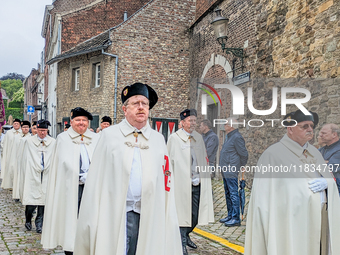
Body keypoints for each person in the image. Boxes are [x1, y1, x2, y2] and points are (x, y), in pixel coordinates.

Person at [73, 83, 182, 255]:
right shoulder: (110, 136)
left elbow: (166, 179)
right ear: (125, 109)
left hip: (150, 212)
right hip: (117, 212)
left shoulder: (158, 139)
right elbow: (96, 180)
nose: (141, 107)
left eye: (144, 104)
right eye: (135, 103)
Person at [245, 110, 340, 255]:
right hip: (289, 225)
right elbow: (262, 201)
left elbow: (329, 179)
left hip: (319, 222)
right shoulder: (273, 155)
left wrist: (328, 183)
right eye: (304, 126)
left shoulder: (315, 153)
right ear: (290, 129)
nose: (310, 130)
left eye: (312, 126)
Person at [41, 107, 100, 255]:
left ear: (88, 123)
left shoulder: (96, 139)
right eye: (78, 120)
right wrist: (78, 174)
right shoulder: (63, 139)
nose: (81, 123)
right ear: (72, 122)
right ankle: (70, 249)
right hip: (70, 188)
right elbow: (61, 165)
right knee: (71, 220)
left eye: (84, 121)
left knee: (91, 220)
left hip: (91, 189)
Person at [167, 109, 214, 255]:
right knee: (182, 214)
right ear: (182, 122)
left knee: (195, 214)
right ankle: (180, 243)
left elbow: (203, 158)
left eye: (194, 120)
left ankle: (186, 235)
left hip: (197, 181)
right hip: (181, 183)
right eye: (190, 120)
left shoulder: (198, 138)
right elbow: (168, 160)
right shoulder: (174, 138)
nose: (193, 123)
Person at [20, 120, 55, 233]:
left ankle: (39, 223)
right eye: (40, 131)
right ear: (36, 130)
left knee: (44, 200)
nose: (42, 133)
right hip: (32, 173)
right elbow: (25, 157)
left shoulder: (53, 142)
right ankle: (28, 219)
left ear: (47, 131)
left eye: (44, 131)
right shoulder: (29, 142)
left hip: (46, 173)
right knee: (32, 200)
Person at [219, 118, 248, 227]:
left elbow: (244, 154)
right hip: (225, 169)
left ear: (232, 126)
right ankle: (230, 214)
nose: (224, 126)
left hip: (231, 169)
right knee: (228, 193)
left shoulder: (237, 137)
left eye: (226, 124)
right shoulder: (229, 137)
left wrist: (240, 166)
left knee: (233, 193)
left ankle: (235, 218)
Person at [12, 121, 32, 201]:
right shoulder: (17, 137)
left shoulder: (31, 138)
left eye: (27, 127)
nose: (25, 129)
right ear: (21, 128)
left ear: (29, 128)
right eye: (24, 127)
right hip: (18, 160)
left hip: (27, 161)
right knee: (17, 177)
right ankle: (17, 194)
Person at [319, 123, 340, 195]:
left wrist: (318, 163)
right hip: (325, 191)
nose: (320, 135)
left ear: (334, 135)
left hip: (336, 191)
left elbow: (330, 169)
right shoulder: (321, 150)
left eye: (324, 133)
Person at [1, 118, 22, 189]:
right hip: (10, 153)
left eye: (17, 124)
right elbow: (4, 142)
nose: (16, 125)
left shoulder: (22, 133)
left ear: (19, 125)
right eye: (14, 124)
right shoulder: (9, 133)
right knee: (10, 168)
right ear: (13, 125)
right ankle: (10, 183)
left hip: (19, 153)